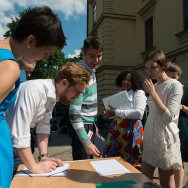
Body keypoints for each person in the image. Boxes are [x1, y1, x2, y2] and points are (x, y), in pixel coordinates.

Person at [0, 6, 65, 188]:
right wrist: (34, 167)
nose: (45, 59)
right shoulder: (9, 66)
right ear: (30, 41)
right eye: (47, 53)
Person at [5, 63, 90, 174]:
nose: (78, 96)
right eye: (77, 92)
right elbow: (20, 134)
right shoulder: (34, 90)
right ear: (64, 83)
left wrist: (44, 156)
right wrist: (35, 167)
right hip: (6, 143)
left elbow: (43, 127)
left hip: (15, 144)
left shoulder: (53, 97)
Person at [142, 50, 183, 188]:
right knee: (144, 181)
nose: (149, 71)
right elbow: (151, 114)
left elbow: (169, 117)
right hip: (150, 138)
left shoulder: (174, 85)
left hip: (165, 141)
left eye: (153, 67)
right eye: (147, 68)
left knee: (166, 184)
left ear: (163, 65)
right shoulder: (154, 85)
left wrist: (153, 94)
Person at [104, 69, 147, 167]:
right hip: (118, 130)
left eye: (129, 80)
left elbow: (139, 113)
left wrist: (116, 112)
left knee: (131, 159)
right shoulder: (122, 93)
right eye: (124, 79)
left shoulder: (138, 93)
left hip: (131, 130)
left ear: (135, 81)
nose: (125, 82)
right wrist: (109, 113)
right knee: (117, 161)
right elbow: (119, 113)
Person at [69, 36, 103, 160]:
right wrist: (86, 142)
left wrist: (94, 123)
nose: (96, 60)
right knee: (83, 169)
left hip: (90, 124)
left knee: (89, 167)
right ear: (84, 54)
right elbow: (73, 113)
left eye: (99, 56)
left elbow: (87, 102)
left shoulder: (91, 72)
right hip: (81, 126)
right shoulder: (81, 75)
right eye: (92, 56)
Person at [166, 62, 188, 187]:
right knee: (172, 160)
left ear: (178, 76)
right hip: (169, 130)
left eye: (174, 77)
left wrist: (182, 107)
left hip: (183, 129)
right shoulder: (165, 90)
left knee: (181, 159)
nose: (172, 81)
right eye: (169, 78)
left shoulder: (186, 90)